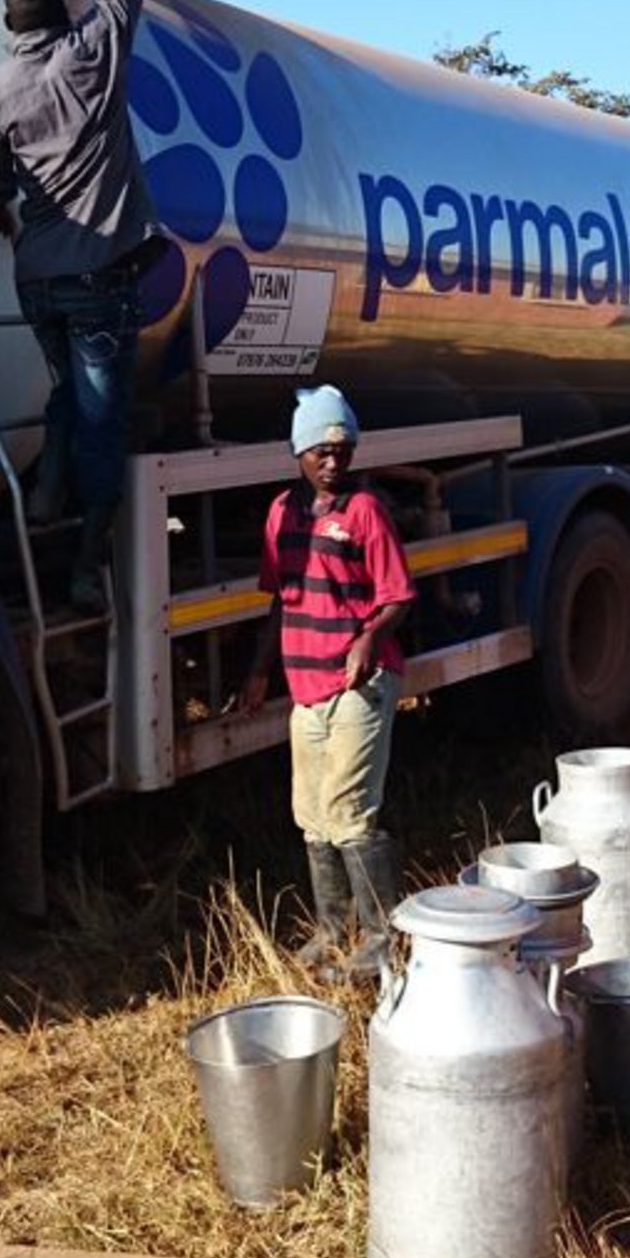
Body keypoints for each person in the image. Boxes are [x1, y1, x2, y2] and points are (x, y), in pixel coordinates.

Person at [0, 0, 156, 613]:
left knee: (67, 392)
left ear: (11, 26)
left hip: (36, 275)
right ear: (57, 15)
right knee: (104, 421)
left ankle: (46, 486)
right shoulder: (91, 56)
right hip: (100, 271)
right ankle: (84, 563)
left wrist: (2, 216)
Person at [240, 387, 416, 979]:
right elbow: (278, 602)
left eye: (343, 448)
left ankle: (381, 937)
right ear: (299, 451)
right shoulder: (280, 514)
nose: (334, 460)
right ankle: (331, 927)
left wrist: (369, 638)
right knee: (312, 815)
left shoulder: (365, 511)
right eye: (322, 448)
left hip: (359, 683)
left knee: (349, 810)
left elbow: (397, 594)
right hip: (305, 686)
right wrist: (260, 672)